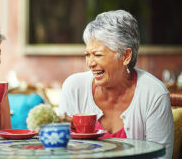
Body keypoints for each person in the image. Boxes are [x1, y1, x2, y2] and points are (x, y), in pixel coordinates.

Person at [58, 10, 174, 159]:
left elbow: (160, 156)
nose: (90, 63)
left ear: (125, 56)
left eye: (98, 55)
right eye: (88, 55)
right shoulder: (74, 87)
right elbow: (61, 152)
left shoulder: (154, 93)